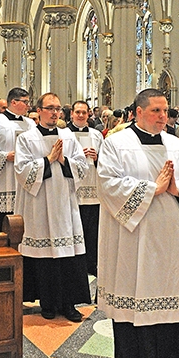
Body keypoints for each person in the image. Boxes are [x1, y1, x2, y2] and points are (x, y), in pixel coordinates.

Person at [97, 89, 179, 358]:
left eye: (165, 111)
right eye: (156, 110)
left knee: (166, 292)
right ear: (138, 112)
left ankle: (166, 357)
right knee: (137, 297)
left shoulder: (178, 145)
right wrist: (151, 189)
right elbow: (108, 184)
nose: (162, 117)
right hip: (135, 239)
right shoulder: (116, 144)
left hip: (172, 237)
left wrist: (177, 188)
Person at [15, 92, 90, 322]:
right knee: (45, 257)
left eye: (58, 108)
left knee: (68, 256)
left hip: (65, 205)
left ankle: (68, 304)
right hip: (39, 205)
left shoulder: (68, 136)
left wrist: (63, 160)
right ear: (38, 111)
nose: (55, 112)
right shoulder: (26, 138)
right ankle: (47, 303)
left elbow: (82, 167)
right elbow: (22, 170)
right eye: (50, 108)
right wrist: (47, 160)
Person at [0, 87, 35, 232]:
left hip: (24, 179)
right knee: (0, 227)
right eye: (25, 102)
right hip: (2, 179)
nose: (29, 105)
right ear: (14, 102)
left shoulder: (31, 124)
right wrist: (5, 156)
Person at [66, 100, 103, 276]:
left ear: (89, 114)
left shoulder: (97, 135)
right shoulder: (64, 134)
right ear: (72, 114)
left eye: (84, 112)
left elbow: (106, 162)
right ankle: (74, 267)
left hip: (93, 190)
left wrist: (97, 158)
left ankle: (91, 265)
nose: (81, 115)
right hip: (73, 189)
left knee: (92, 232)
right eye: (78, 112)